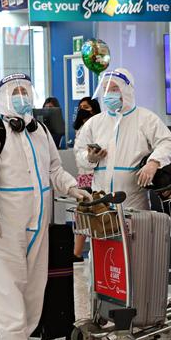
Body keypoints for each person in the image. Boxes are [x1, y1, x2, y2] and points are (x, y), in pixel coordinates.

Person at [0, 73, 90, 340]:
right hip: (3, 225)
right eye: (15, 91)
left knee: (33, 286)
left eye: (25, 90)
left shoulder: (40, 130)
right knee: (6, 286)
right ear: (3, 96)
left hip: (37, 224)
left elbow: (54, 170)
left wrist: (71, 187)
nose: (21, 95)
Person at [74, 68, 171, 210]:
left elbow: (169, 143)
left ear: (127, 90)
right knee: (103, 231)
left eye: (114, 89)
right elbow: (80, 151)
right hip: (101, 204)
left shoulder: (145, 118)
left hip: (133, 202)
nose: (109, 94)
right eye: (106, 89)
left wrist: (153, 163)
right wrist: (89, 157)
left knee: (135, 232)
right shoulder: (95, 122)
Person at [72, 96, 101, 262]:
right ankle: (76, 253)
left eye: (87, 107)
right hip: (83, 176)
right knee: (82, 215)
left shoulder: (98, 126)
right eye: (81, 107)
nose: (83, 110)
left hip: (94, 175)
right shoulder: (79, 129)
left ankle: (89, 252)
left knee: (96, 214)